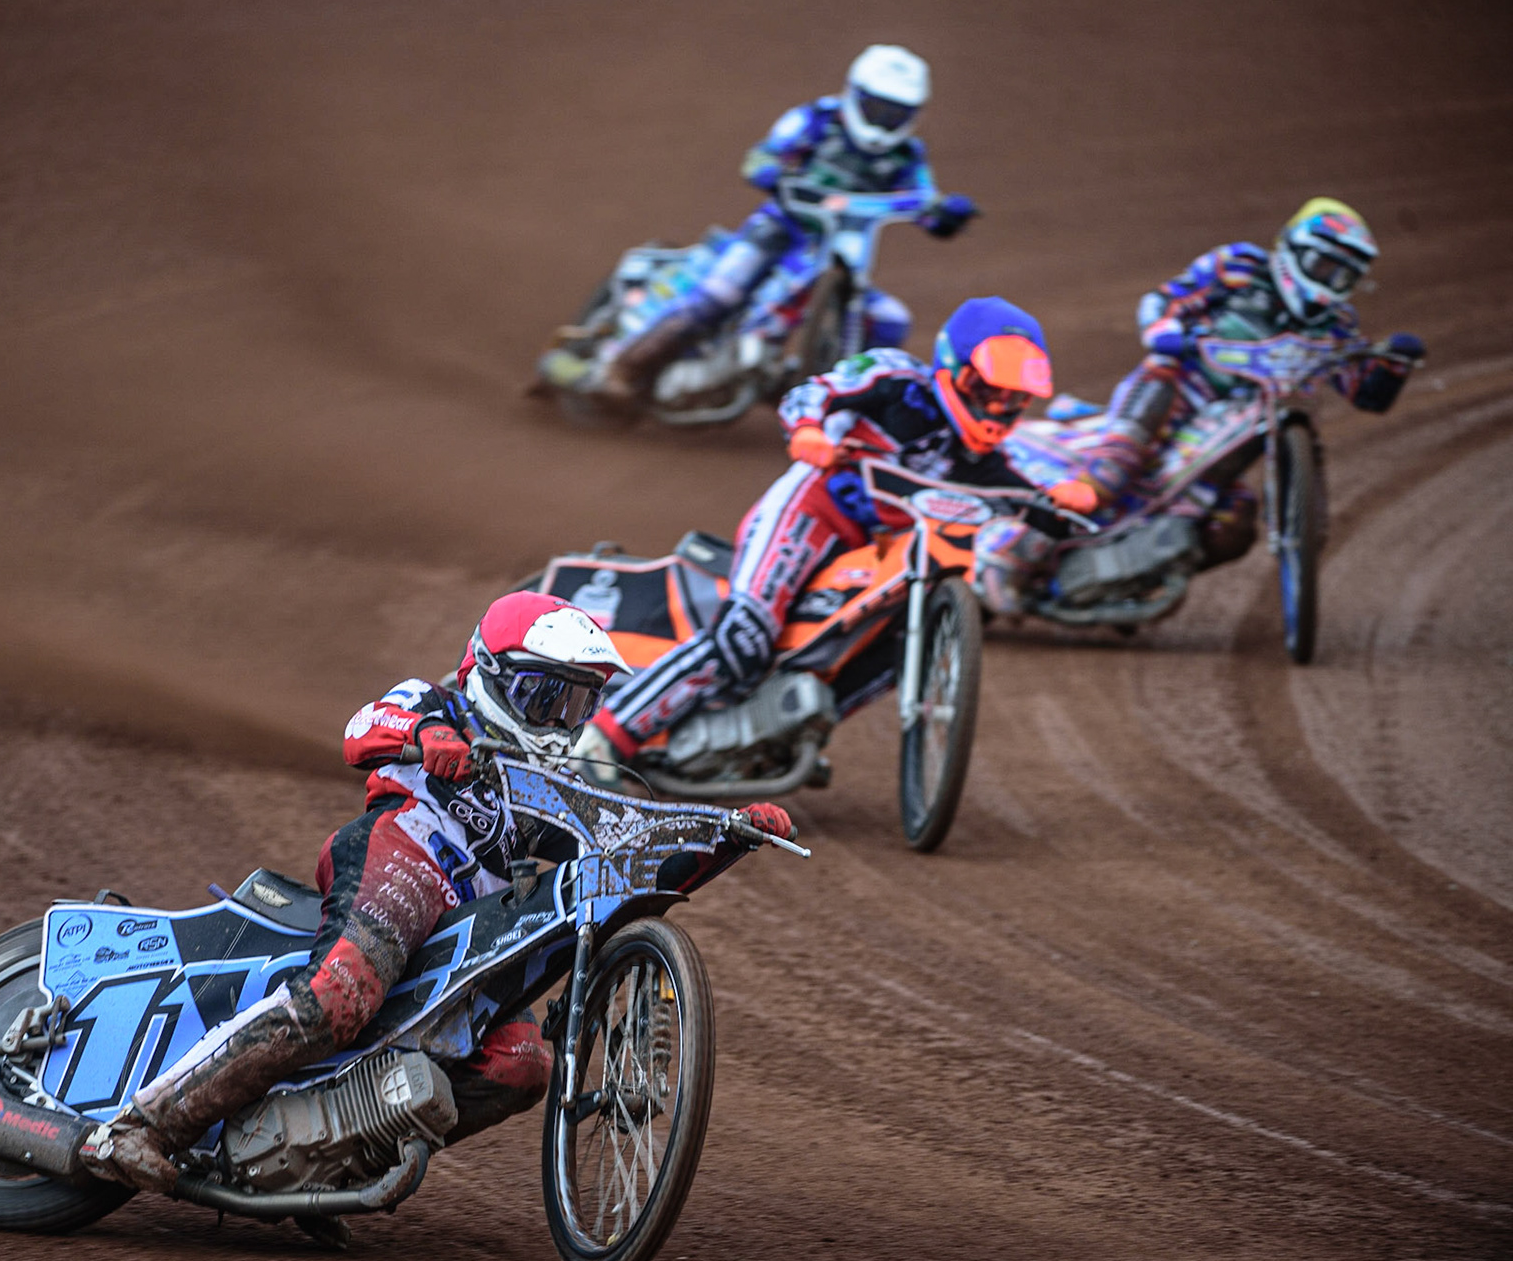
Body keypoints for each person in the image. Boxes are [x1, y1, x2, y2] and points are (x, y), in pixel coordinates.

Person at [79, 591, 794, 1192]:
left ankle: (324, 1169)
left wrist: (721, 836)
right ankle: (143, 1126)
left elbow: (629, 849)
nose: (557, 720)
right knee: (341, 995)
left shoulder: (552, 788)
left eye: (576, 704)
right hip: (405, 850)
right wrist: (426, 735)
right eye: (545, 695)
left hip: (470, 921)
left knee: (521, 1063)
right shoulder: (438, 704)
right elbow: (364, 728)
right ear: (492, 673)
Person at [577, 298, 1090, 770]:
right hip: (809, 511)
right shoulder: (895, 379)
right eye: (987, 390)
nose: (997, 408)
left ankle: (773, 736)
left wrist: (1069, 497)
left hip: (873, 553)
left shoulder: (994, 459)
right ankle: (603, 739)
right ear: (952, 369)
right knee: (746, 635)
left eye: (1012, 399)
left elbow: (1044, 500)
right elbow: (816, 390)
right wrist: (808, 431)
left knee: (895, 647)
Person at [969, 198, 1427, 615]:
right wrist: (1165, 331)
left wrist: (1394, 366)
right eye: (1321, 265)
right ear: (1291, 250)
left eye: (1342, 275)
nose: (1328, 282)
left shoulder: (1337, 325)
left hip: (1240, 424)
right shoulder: (1238, 267)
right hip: (1173, 389)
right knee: (1110, 476)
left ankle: (1122, 577)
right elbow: (1164, 300)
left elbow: (1366, 394)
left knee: (1235, 525)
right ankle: (1007, 558)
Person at [598, 44, 978, 405]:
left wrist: (946, 214)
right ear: (854, 94)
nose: (883, 122)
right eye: (876, 109)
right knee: (720, 294)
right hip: (779, 231)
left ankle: (848, 395)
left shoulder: (907, 155)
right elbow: (767, 154)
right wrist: (768, 170)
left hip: (840, 252)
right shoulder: (818, 119)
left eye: (895, 114)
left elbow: (925, 201)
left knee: (890, 319)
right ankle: (624, 368)